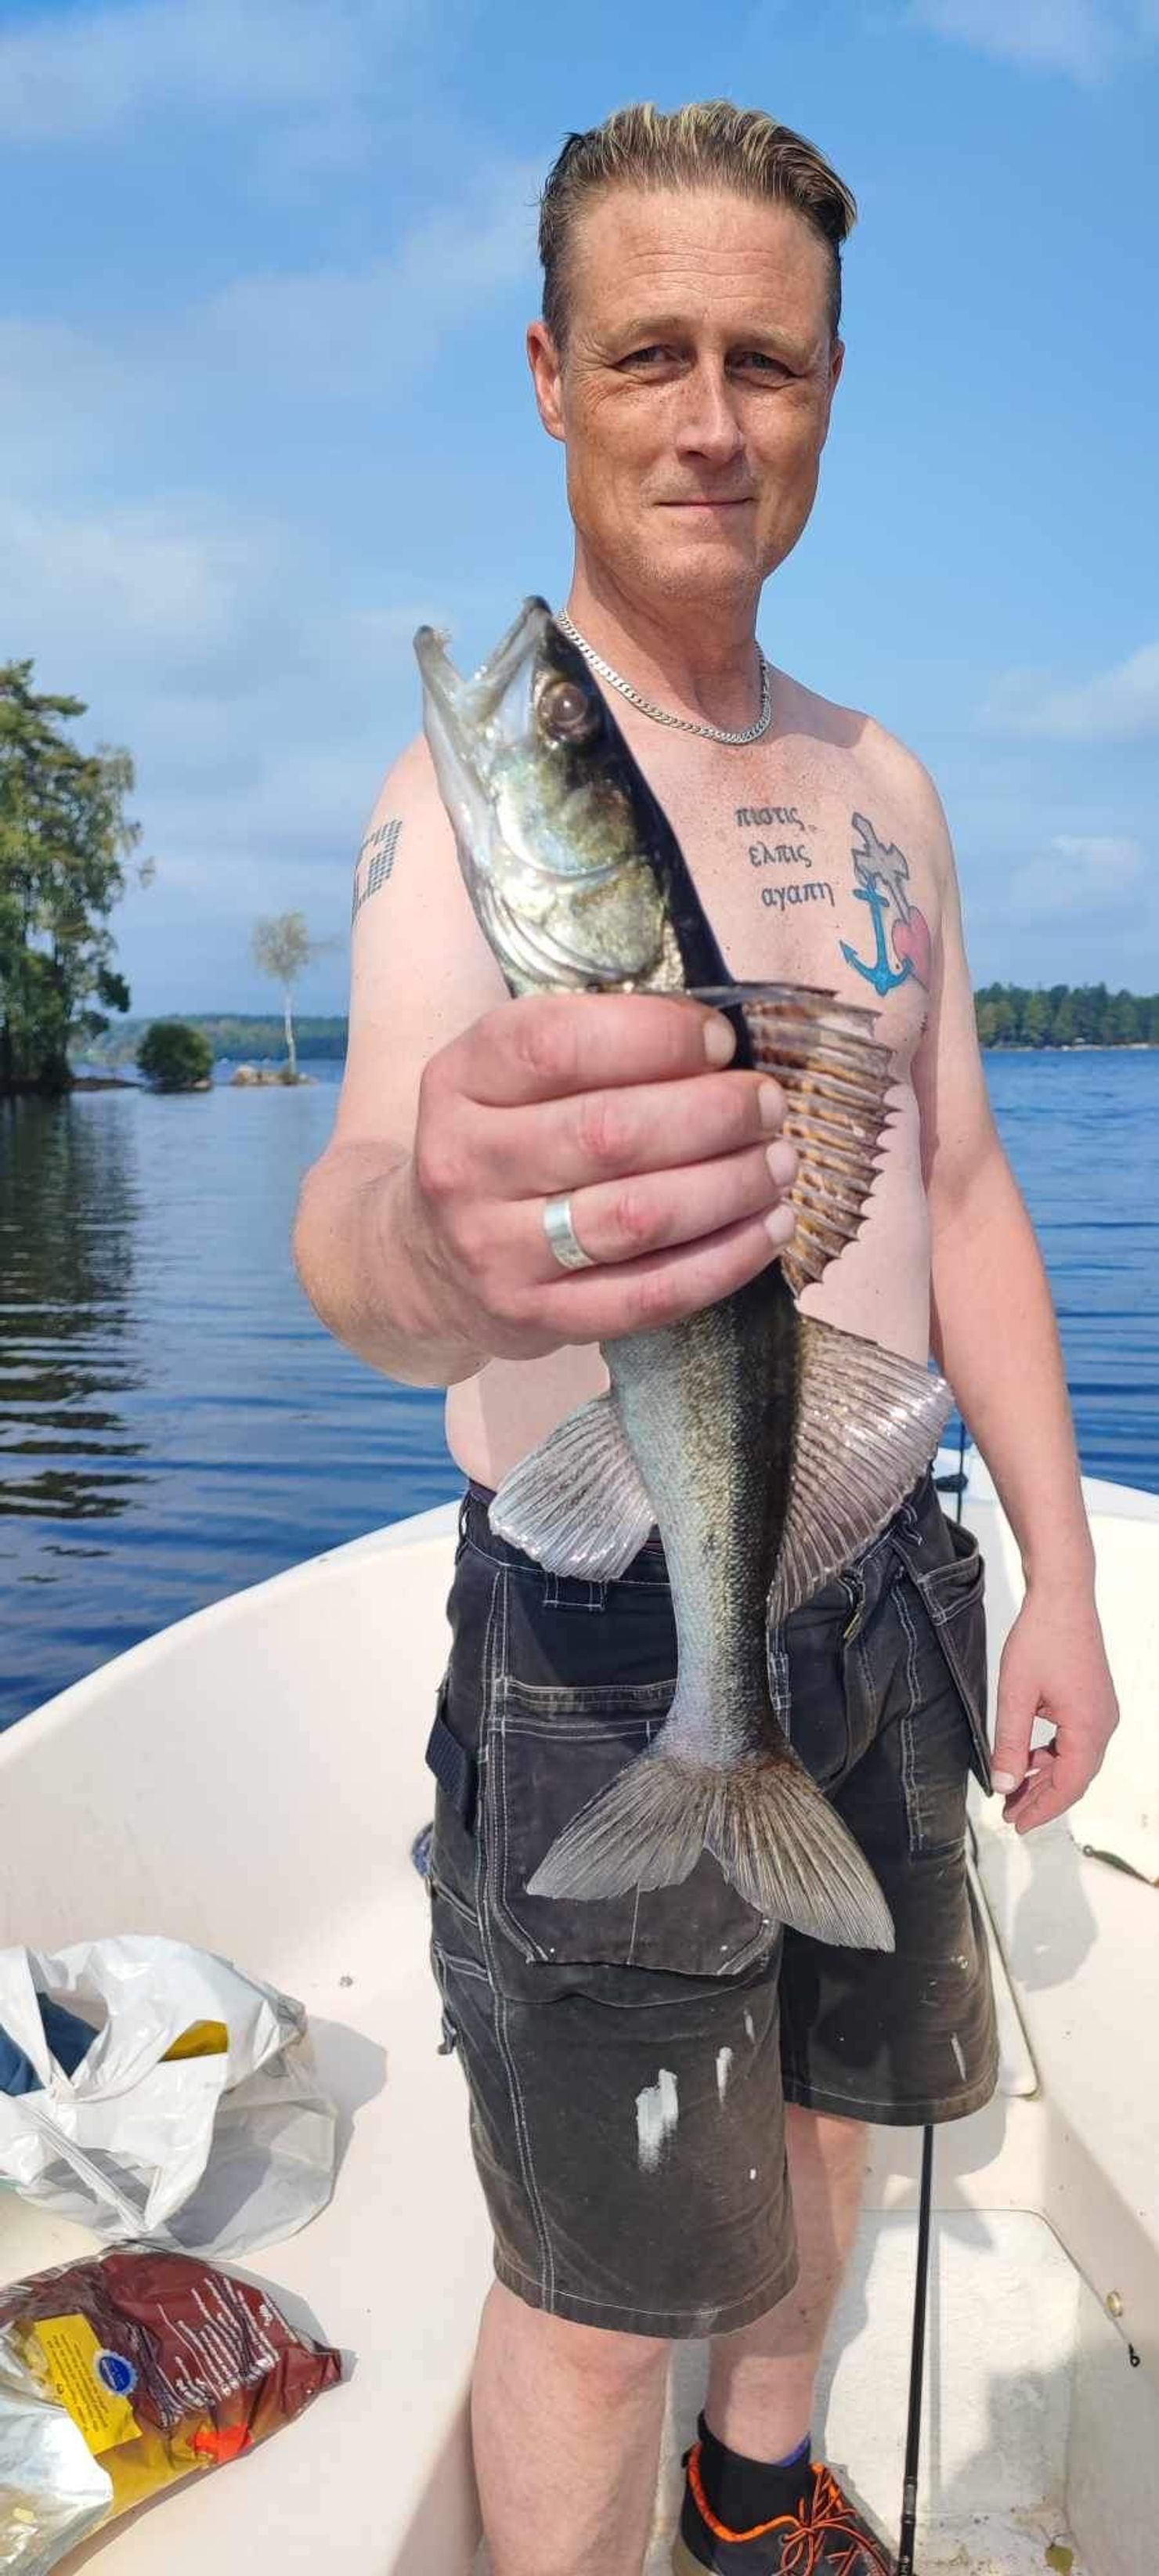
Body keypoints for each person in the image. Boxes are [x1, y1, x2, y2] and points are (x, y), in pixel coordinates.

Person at [294, 101, 1119, 2576]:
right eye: (649, 354)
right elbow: (360, 1213)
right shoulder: (463, 812)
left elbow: (962, 1187)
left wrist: (1063, 1570)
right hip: (599, 1622)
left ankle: (757, 2502)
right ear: (550, 377)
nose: (712, 420)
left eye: (768, 361)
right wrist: (441, 1242)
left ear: (834, 387)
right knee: (597, 2274)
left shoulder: (891, 785)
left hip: (890, 1581)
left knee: (843, 2114)